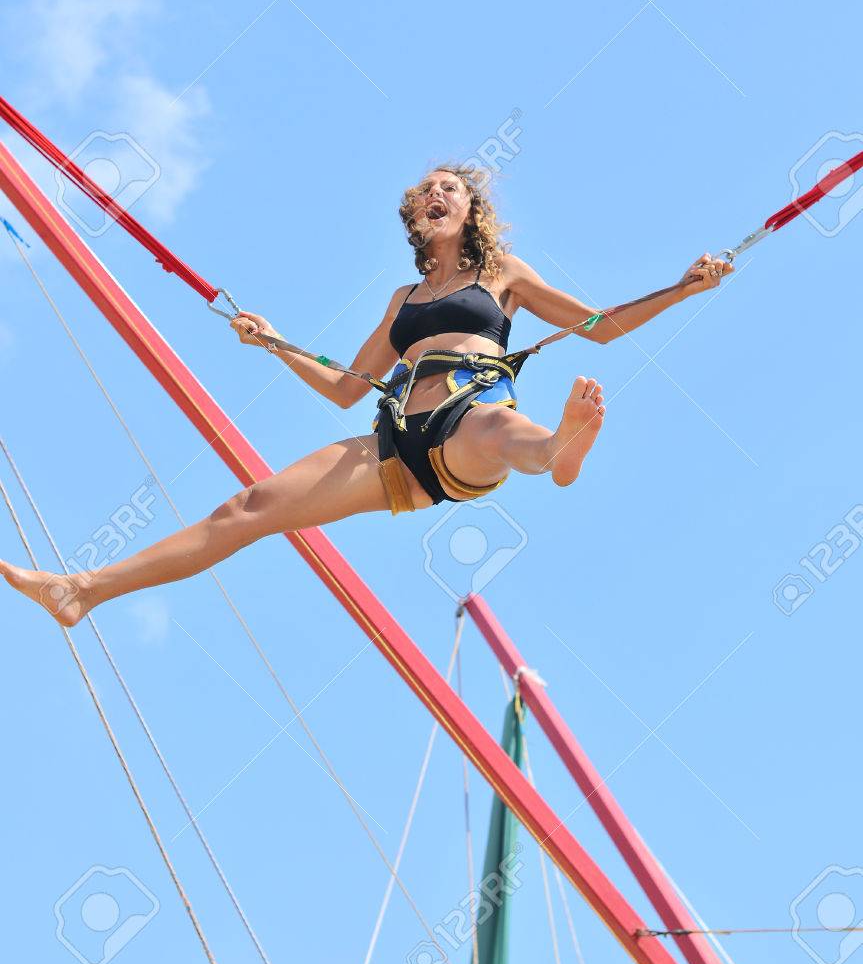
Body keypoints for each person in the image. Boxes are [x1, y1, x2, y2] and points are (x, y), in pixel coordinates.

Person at [2, 163, 730, 627]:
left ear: (471, 209)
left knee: (503, 436)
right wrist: (275, 342)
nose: (434, 194)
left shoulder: (503, 272)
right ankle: (84, 590)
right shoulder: (403, 298)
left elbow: (597, 328)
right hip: (394, 446)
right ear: (415, 219)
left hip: (470, 415)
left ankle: (560, 450)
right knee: (248, 508)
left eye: (448, 186)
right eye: (424, 192)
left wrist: (681, 287)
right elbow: (345, 389)